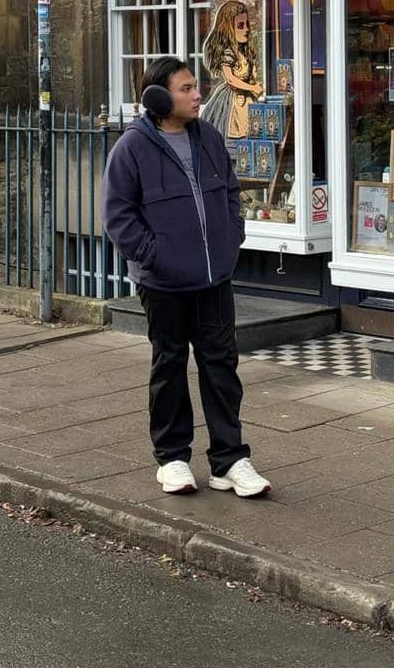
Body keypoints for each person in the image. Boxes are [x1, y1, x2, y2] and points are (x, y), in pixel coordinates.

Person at [102, 55, 271, 499]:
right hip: (163, 282)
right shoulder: (132, 147)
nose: (198, 95)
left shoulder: (208, 138)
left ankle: (230, 461)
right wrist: (152, 256)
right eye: (186, 88)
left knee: (221, 368)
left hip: (215, 277)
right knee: (170, 365)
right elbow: (117, 215)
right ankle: (173, 459)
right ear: (158, 97)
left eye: (196, 86)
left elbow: (231, 191)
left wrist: (231, 238)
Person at [200, 0, 264, 144]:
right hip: (233, 101)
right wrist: (253, 88)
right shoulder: (228, 53)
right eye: (240, 26)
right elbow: (231, 79)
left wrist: (254, 84)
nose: (246, 29)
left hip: (247, 99)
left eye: (247, 24)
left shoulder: (244, 52)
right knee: (234, 136)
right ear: (228, 29)